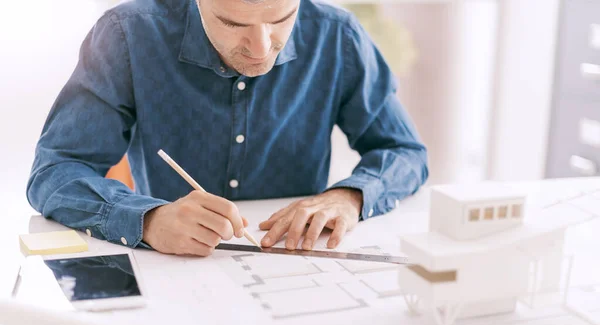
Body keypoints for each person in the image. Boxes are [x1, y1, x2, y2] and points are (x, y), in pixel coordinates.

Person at [27, 0, 428, 257]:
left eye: (281, 18)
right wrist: (147, 219)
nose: (259, 46)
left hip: (290, 276)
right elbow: (55, 172)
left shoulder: (337, 35)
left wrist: (350, 197)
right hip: (173, 278)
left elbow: (405, 152)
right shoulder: (127, 35)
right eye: (232, 23)